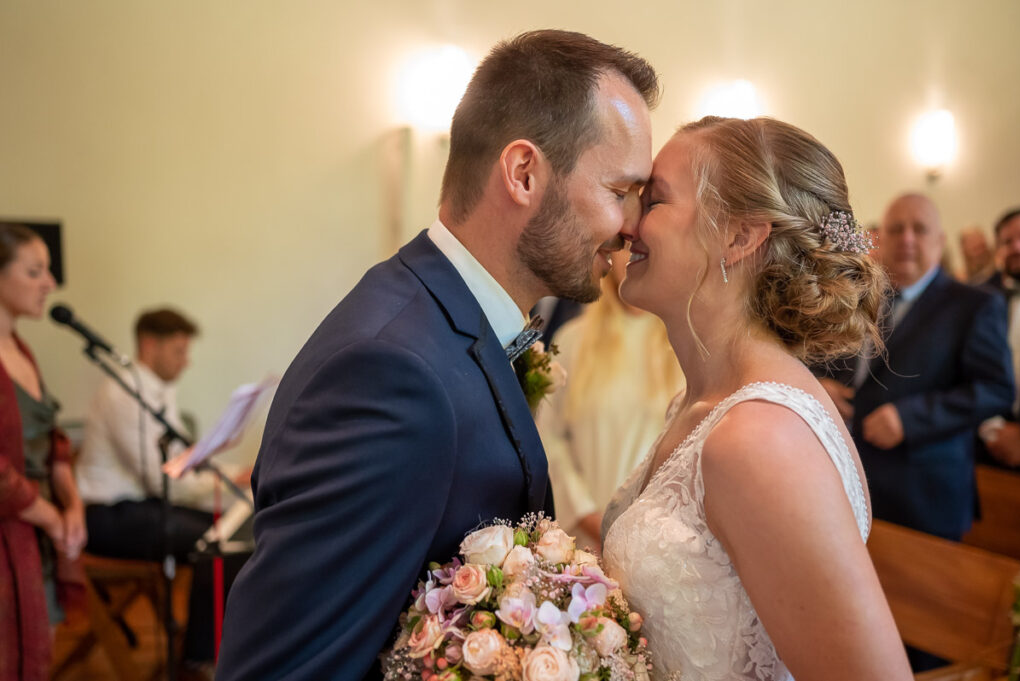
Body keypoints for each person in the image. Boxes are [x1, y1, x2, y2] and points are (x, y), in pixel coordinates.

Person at [216, 30, 657, 681]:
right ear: (524, 174)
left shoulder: (450, 322)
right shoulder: (389, 373)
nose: (631, 227)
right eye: (620, 191)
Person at [602, 117, 912, 680]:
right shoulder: (700, 406)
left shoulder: (760, 439)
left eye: (655, 200)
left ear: (739, 237)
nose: (626, 224)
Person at [817, 193, 1013, 541]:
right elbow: (820, 358)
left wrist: (910, 419)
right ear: (880, 239)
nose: (906, 238)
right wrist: (818, 387)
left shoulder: (975, 305)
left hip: (922, 491)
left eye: (919, 229)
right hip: (846, 477)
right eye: (896, 229)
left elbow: (995, 388)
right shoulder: (856, 297)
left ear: (939, 241)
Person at [76, 308, 248, 677]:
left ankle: (209, 647)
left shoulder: (158, 391)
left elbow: (183, 461)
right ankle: (198, 659)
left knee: (232, 530)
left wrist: (234, 475)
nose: (186, 362)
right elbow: (165, 479)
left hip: (141, 505)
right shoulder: (123, 392)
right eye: (178, 351)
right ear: (149, 345)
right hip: (109, 515)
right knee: (220, 542)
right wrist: (229, 481)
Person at [536, 249, 683, 549]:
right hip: (584, 535)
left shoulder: (681, 344)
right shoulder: (572, 339)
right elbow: (549, 438)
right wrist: (589, 515)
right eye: (626, 244)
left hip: (656, 538)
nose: (633, 254)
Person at [0, 223, 86, 681]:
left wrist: (72, 506)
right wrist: (51, 517)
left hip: (36, 535)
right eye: (34, 272)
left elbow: (53, 442)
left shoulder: (22, 350)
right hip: (11, 534)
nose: (49, 284)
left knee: (40, 655)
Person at [977, 207, 1020, 467]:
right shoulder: (978, 299)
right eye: (1007, 241)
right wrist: (991, 428)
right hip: (985, 445)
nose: (1017, 247)